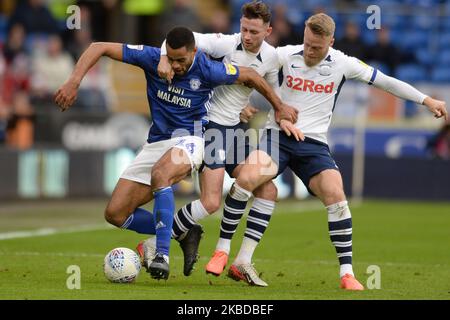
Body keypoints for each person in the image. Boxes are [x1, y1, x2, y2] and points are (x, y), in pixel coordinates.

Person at [216, 13, 448, 289]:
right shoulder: (284, 55)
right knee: (248, 177)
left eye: (317, 47)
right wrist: (234, 103)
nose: (311, 52)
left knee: (336, 193)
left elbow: (386, 81)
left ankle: (347, 274)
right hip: (277, 136)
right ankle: (223, 252)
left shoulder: (343, 63)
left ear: (331, 42)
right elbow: (246, 71)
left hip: (313, 144)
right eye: (308, 45)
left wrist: (426, 100)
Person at [54, 26, 299, 280]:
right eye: (170, 58)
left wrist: (278, 106)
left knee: (162, 175)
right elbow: (98, 47)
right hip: (157, 141)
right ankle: (182, 231)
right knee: (115, 213)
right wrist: (74, 82)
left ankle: (161, 255)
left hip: (193, 138)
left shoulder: (208, 69)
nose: (175, 65)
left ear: (194, 52)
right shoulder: (152, 59)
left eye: (181, 60)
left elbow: (249, 75)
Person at [138, 1, 299, 286]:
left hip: (236, 130)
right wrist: (164, 56)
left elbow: (272, 92)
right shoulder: (223, 44)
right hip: (209, 128)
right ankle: (152, 244)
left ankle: (242, 261)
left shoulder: (273, 58)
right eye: (244, 28)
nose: (247, 36)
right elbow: (181, 35)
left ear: (268, 31)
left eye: (254, 31)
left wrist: (275, 114)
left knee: (268, 189)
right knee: (211, 202)